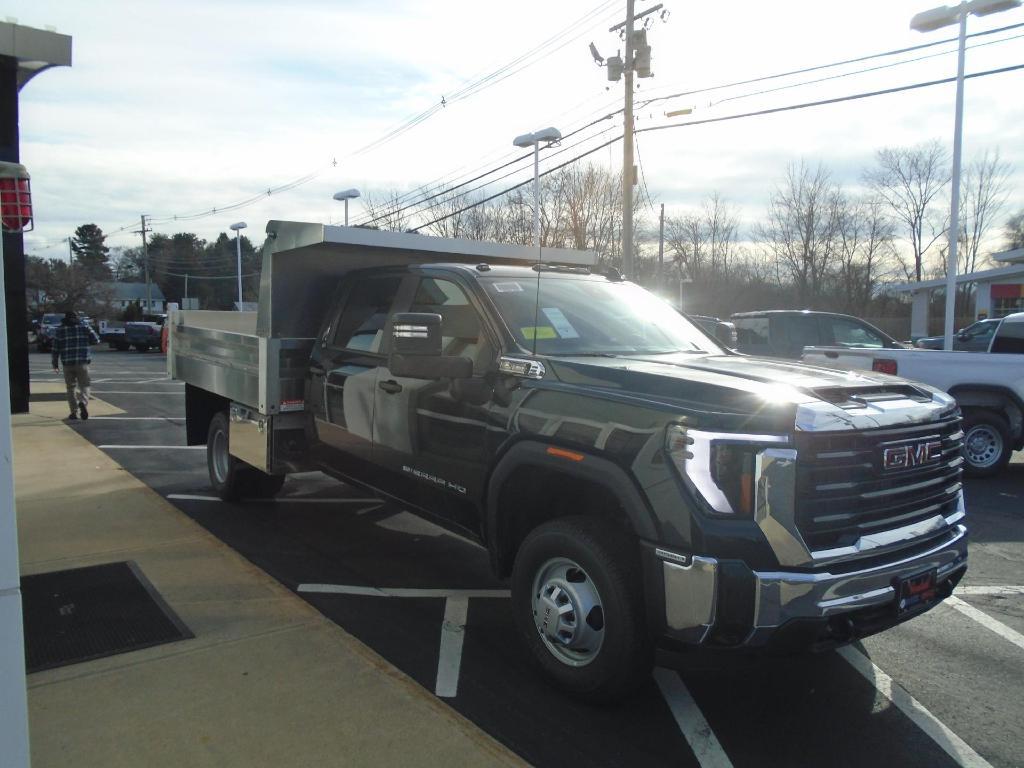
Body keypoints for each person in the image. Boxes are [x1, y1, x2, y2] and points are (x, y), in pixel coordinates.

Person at [51, 310, 97, 420]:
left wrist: (55, 364)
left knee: (70, 388)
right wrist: (85, 342)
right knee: (84, 385)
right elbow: (96, 340)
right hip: (82, 362)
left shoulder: (60, 330)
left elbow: (55, 349)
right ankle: (83, 402)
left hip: (67, 363)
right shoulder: (84, 327)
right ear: (77, 318)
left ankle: (73, 412)